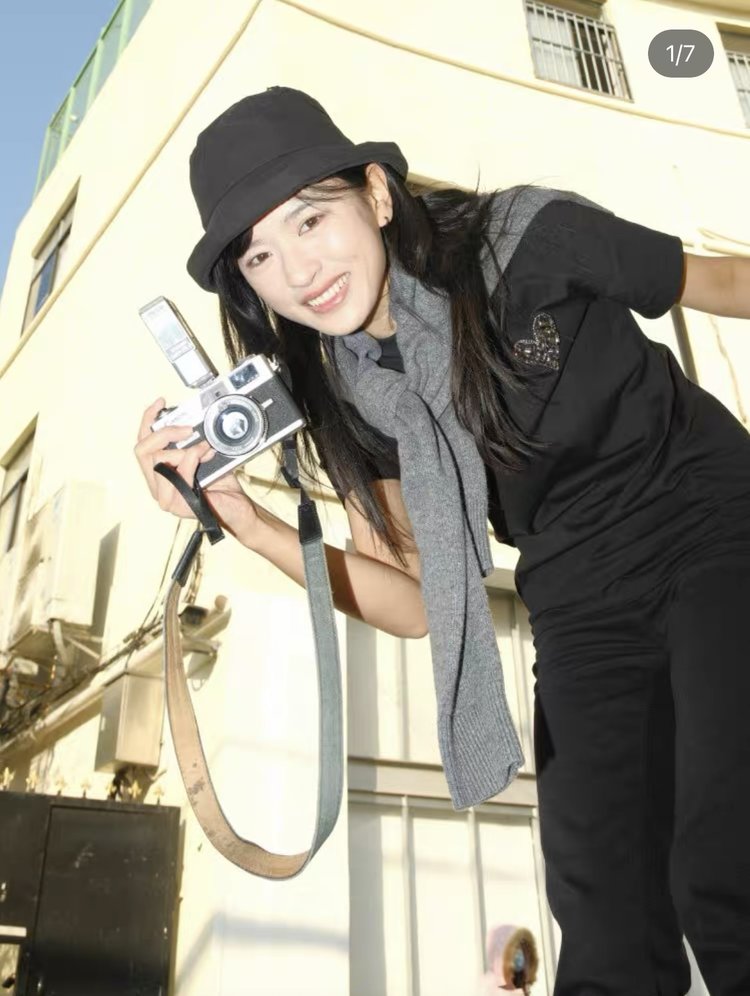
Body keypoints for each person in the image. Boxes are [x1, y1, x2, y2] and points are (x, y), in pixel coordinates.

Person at [134, 86, 750, 995]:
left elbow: (722, 283)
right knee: (603, 910)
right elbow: (415, 602)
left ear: (378, 195)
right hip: (578, 600)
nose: (298, 271)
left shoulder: (527, 240)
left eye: (311, 219)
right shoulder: (354, 394)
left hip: (710, 521)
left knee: (723, 855)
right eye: (260, 255)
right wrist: (248, 522)